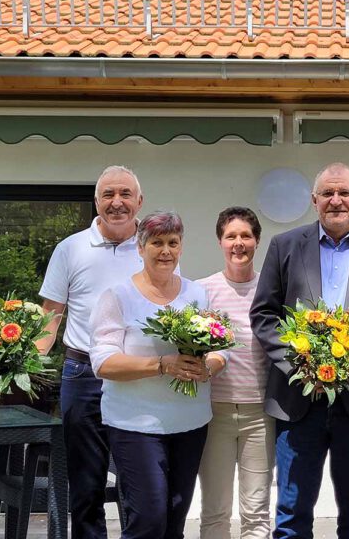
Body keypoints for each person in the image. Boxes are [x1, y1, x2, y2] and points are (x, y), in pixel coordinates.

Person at [250, 162, 349, 539]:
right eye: (328, 193)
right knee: (292, 513)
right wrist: (300, 364)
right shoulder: (284, 246)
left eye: (344, 193)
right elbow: (264, 315)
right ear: (314, 200)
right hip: (297, 401)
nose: (336, 200)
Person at [89, 211, 227, 539]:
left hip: (190, 424)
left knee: (175, 518)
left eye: (173, 243)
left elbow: (221, 348)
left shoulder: (197, 294)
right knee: (148, 519)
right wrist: (162, 365)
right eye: (157, 243)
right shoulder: (118, 296)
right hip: (136, 425)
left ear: (181, 248)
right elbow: (103, 362)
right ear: (140, 248)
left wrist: (208, 367)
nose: (165, 251)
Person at [38, 165, 145, 539]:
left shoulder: (153, 247)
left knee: (139, 482)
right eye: (108, 195)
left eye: (125, 194)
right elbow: (51, 316)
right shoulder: (70, 249)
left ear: (140, 201)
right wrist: (23, 365)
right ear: (96, 201)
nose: (117, 202)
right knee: (86, 486)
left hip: (138, 375)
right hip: (83, 374)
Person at [198, 207, 274, 539]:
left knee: (256, 512)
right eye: (231, 236)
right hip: (214, 412)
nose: (238, 243)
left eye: (246, 236)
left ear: (257, 241)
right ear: (220, 241)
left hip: (261, 413)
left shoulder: (271, 290)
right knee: (215, 511)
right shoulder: (202, 291)